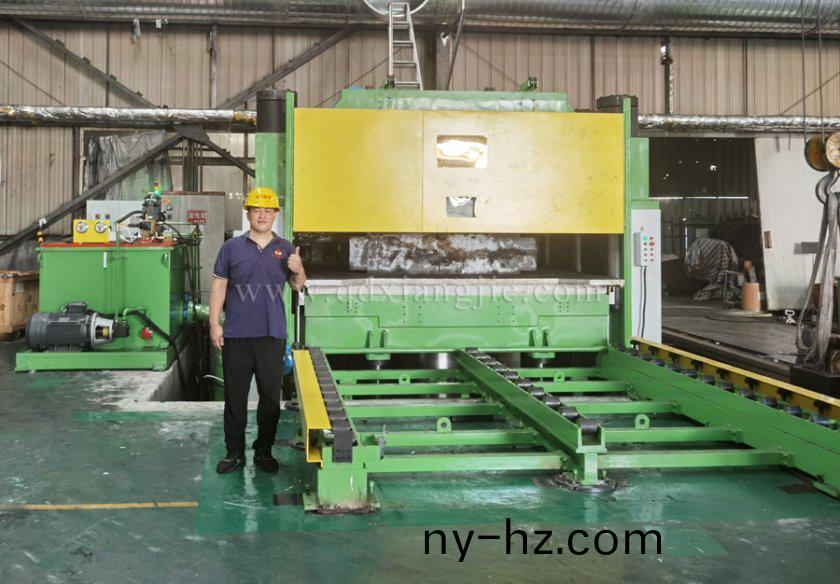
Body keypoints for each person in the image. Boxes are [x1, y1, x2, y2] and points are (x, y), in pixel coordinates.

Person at [209, 187, 306, 474]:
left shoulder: (286, 248)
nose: (262, 215)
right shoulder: (231, 248)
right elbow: (219, 286)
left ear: (275, 214)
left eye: (268, 210)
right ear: (248, 213)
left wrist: (299, 268)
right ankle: (234, 453)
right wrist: (214, 323)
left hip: (271, 334)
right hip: (236, 334)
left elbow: (298, 285)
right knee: (235, 398)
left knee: (270, 399)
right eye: (256, 210)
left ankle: (263, 451)